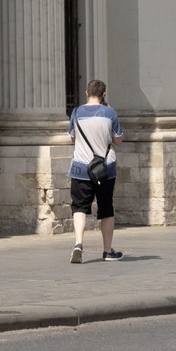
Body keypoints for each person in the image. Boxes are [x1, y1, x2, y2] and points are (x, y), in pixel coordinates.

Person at [68, 80, 123, 263]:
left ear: (86, 93)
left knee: (79, 207)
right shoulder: (110, 113)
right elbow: (118, 140)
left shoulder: (76, 112)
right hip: (105, 169)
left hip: (80, 168)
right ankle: (107, 251)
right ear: (103, 95)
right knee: (106, 208)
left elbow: (72, 139)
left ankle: (78, 244)